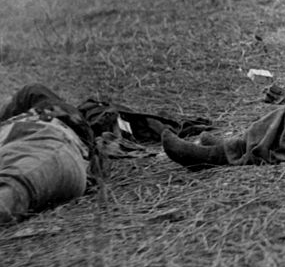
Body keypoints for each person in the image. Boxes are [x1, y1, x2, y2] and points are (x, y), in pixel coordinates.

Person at [1, 84, 209, 225]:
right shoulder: (41, 103)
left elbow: (9, 197)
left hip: (48, 138)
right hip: (37, 129)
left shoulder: (49, 150)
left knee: (16, 185)